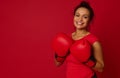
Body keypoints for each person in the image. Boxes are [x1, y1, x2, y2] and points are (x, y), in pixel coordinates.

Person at [53, 1, 104, 78]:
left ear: (89, 20)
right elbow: (57, 64)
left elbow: (101, 68)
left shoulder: (93, 41)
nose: (80, 19)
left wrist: (88, 60)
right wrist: (60, 55)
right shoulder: (66, 39)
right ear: (74, 17)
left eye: (85, 17)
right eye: (77, 15)